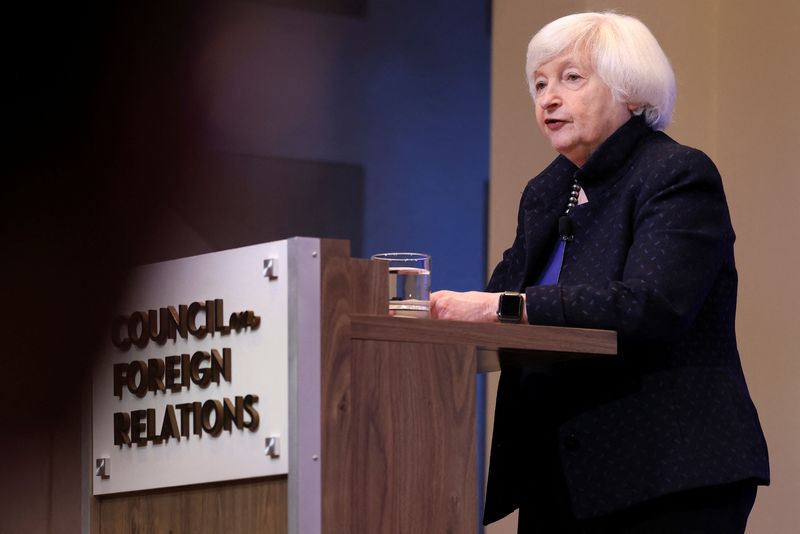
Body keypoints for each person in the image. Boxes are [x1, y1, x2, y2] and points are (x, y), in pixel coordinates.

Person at [430, 11, 769, 533]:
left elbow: (650, 306)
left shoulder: (675, 174)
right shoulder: (548, 191)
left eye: (571, 78)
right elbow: (503, 297)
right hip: (564, 471)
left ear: (631, 92)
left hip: (667, 471)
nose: (547, 97)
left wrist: (501, 307)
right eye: (539, 83)